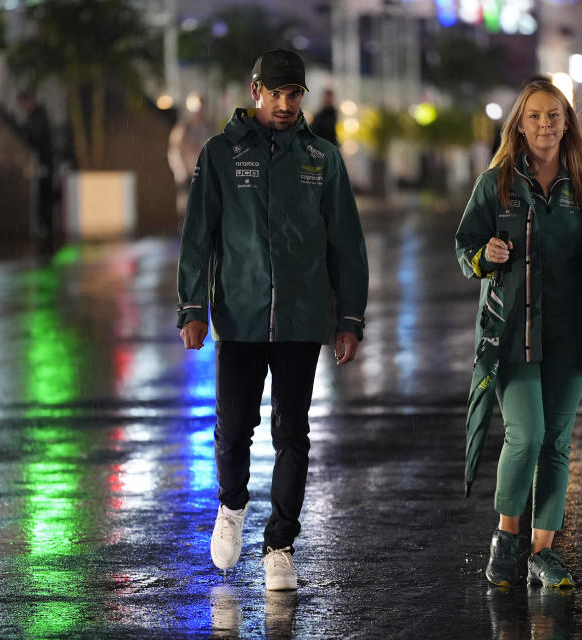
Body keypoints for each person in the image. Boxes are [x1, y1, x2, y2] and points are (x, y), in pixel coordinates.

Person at [176, 49, 368, 591]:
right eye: (275, 93)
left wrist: (348, 318)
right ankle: (231, 506)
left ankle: (280, 544)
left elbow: (346, 244)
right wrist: (192, 308)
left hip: (303, 320)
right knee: (234, 428)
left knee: (292, 432)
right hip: (238, 317)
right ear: (255, 90)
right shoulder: (218, 154)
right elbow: (198, 237)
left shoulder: (321, 158)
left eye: (294, 95)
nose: (284, 105)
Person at [455, 79, 582, 589]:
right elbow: (465, 245)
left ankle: (543, 551)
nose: (545, 125)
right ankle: (507, 536)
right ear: (519, 123)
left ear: (567, 122)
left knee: (556, 441)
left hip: (572, 333)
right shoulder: (497, 183)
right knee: (526, 434)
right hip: (513, 332)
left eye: (554, 115)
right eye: (534, 116)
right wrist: (481, 257)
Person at [16, 90, 56, 244]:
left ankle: (46, 226)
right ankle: (44, 226)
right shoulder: (36, 116)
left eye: (23, 103)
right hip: (43, 160)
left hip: (44, 160)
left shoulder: (38, 116)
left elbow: (36, 137)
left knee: (44, 194)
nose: (22, 107)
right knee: (43, 194)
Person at [167, 93, 214, 193]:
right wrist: (180, 171)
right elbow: (174, 151)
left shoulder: (209, 127)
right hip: (188, 175)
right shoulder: (182, 129)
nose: (199, 111)